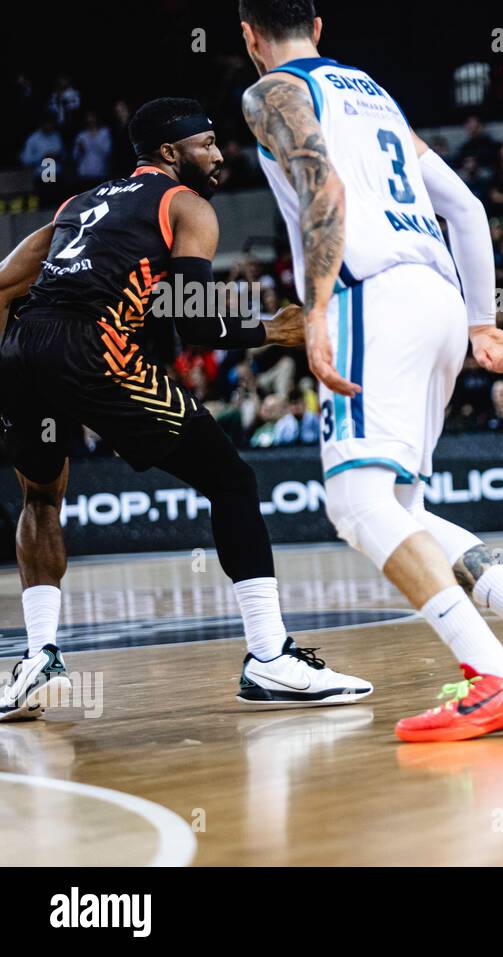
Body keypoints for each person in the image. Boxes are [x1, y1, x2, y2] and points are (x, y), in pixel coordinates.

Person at [237, 0, 503, 743]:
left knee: (354, 503)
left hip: (370, 294)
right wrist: (477, 318)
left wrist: (315, 310)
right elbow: (465, 207)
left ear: (249, 37)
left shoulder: (271, 92)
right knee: (401, 510)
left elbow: (325, 192)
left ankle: (493, 675)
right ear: (319, 26)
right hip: (437, 297)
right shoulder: (370, 92)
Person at [0, 97, 371, 720]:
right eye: (207, 144)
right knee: (231, 479)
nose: (220, 155)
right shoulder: (186, 206)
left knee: (41, 497)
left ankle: (38, 659)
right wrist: (270, 332)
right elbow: (195, 322)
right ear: (171, 154)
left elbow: (6, 282)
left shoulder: (78, 205)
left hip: (22, 351)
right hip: (96, 350)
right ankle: (269, 658)